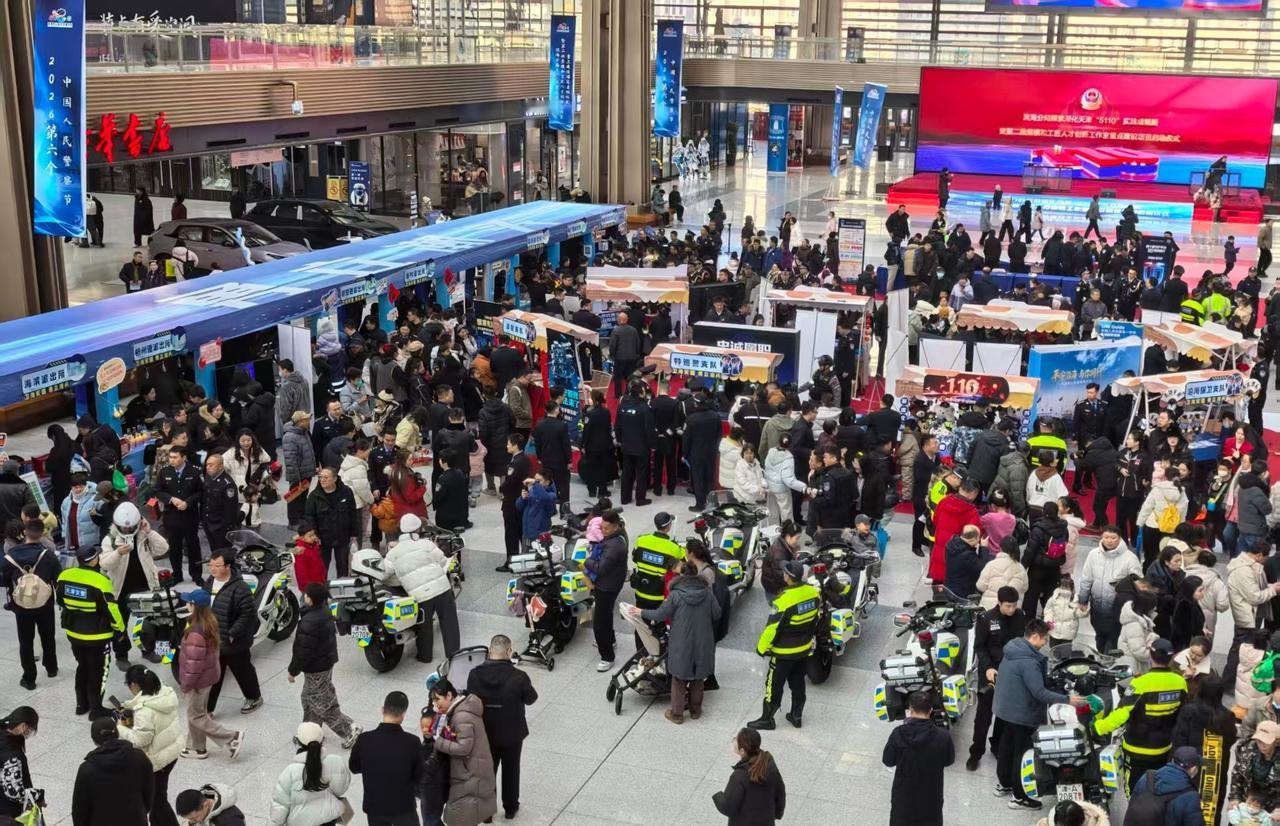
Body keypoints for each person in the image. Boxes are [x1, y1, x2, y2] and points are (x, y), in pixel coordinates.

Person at [994, 619, 1084, 810]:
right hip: (1022, 713)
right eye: (1044, 639)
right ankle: (1019, 797)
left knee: (1006, 747)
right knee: (1023, 753)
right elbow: (1040, 693)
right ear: (1035, 636)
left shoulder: (1013, 648)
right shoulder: (1029, 662)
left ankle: (1004, 784)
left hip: (1005, 709)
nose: (1045, 643)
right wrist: (1068, 699)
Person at [1094, 638, 1188, 794]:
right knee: (1158, 789)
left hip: (1137, 750)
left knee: (1135, 791)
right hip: (1164, 748)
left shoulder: (1140, 684)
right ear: (1171, 659)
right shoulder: (1180, 682)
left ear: (1150, 656)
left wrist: (1096, 728)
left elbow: (1121, 715)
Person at [633, 559, 721, 723]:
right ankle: (695, 711)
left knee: (679, 678)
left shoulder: (675, 595)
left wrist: (640, 611)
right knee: (698, 678)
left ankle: (677, 714)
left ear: (681, 575)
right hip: (703, 641)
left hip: (682, 642)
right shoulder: (707, 593)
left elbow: (659, 615)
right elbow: (717, 614)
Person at [465, 635, 537, 821]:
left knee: (486, 773)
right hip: (512, 734)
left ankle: (487, 812)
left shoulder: (474, 674)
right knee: (511, 770)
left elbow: (470, 700)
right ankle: (511, 808)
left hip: (485, 734)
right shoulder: (519, 677)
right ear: (508, 652)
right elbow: (531, 698)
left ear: (489, 652)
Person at [749, 561, 820, 731]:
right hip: (803, 649)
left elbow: (772, 629)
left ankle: (767, 719)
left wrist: (761, 648)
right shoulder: (813, 593)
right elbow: (815, 620)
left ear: (788, 576)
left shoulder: (783, 601)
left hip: (783, 653)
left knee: (773, 684)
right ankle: (796, 716)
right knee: (798, 682)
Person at [55, 541, 123, 718]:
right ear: (94, 560)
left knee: (82, 666)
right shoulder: (101, 581)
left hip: (73, 633)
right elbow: (111, 609)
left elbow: (60, 601)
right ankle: (96, 709)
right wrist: (120, 629)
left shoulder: (64, 576)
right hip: (98, 636)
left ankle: (81, 705)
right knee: (99, 671)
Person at [288, 582, 359, 749]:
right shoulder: (323, 612)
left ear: (311, 600)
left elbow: (303, 651)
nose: (303, 596)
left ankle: (350, 729)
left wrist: (293, 671)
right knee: (308, 699)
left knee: (322, 705)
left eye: (306, 594)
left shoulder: (310, 621)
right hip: (324, 663)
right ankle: (310, 733)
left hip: (316, 667)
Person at [176, 589, 243, 760]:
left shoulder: (195, 633)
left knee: (195, 715)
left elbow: (193, 665)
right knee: (198, 712)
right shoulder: (210, 623)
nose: (186, 605)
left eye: (189, 602)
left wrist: (186, 685)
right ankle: (197, 748)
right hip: (209, 677)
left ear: (195, 607)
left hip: (199, 681)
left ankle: (231, 737)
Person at [385, 514, 458, 664]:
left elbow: (385, 573)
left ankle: (425, 656)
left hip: (419, 596)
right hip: (442, 590)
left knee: (424, 626)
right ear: (418, 529)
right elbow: (443, 560)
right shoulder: (427, 544)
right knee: (449, 623)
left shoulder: (393, 553)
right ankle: (454, 655)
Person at [967, 586, 1026, 772]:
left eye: (1014, 605)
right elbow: (980, 647)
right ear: (999, 603)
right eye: (1008, 606)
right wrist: (989, 667)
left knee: (1004, 714)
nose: (1011, 609)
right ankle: (976, 753)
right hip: (990, 673)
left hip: (1011, 673)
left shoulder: (1020, 616)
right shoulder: (986, 619)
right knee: (983, 717)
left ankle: (997, 745)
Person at [117, 665, 182, 826]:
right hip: (171, 751)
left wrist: (120, 728)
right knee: (158, 795)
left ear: (133, 685)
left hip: (156, 760)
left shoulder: (144, 711)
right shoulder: (164, 692)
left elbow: (140, 740)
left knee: (157, 800)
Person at [2, 520, 61, 691]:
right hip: (45, 604)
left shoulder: (11, 554)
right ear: (42, 533)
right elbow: (58, 578)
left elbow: (5, 579)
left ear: (25, 533)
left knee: (26, 641)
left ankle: (29, 678)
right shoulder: (48, 555)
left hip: (22, 605)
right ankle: (51, 668)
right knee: (48, 636)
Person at [430, 680, 498, 826]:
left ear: (449, 695)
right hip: (475, 770)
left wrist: (438, 741)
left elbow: (463, 748)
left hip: (470, 774)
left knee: (460, 817)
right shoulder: (462, 709)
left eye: (437, 699)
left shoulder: (461, 717)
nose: (435, 704)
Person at [350, 691, 423, 825]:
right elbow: (419, 775)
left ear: (382, 710)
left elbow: (354, 767)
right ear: (402, 715)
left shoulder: (364, 739)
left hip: (375, 806)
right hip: (404, 807)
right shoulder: (412, 742)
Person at [883, 690, 955, 826]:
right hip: (931, 796)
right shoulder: (943, 736)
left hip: (904, 795)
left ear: (910, 709)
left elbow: (888, 760)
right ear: (931, 710)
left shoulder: (898, 734)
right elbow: (948, 761)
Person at [205, 547, 263, 715]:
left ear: (228, 566)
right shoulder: (210, 581)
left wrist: (232, 633)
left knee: (243, 670)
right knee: (213, 675)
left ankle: (254, 697)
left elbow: (248, 614)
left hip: (234, 641)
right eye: (210, 565)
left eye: (217, 565)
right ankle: (207, 709)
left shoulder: (240, 588)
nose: (212, 569)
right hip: (214, 637)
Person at [72, 716, 155, 826]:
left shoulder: (87, 769)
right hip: (135, 819)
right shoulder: (139, 757)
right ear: (116, 733)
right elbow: (149, 790)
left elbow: (80, 808)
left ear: (94, 739)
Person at [269, 721, 353, 826]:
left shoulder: (290, 771)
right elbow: (341, 788)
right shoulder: (335, 761)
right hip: (328, 819)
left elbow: (280, 806)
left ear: (298, 742)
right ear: (322, 740)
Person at [1226, 541, 1280, 687]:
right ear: (1259, 555)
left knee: (1242, 648)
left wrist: (1270, 586)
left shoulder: (1250, 567)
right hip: (1246, 617)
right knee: (1240, 650)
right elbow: (1254, 597)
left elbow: (1254, 589)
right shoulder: (1244, 571)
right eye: (1265, 558)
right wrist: (1273, 590)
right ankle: (1229, 681)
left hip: (1249, 614)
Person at [712, 727, 786, 826]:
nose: (734, 741)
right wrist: (776, 813)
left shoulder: (739, 776)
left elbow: (728, 807)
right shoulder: (769, 764)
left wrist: (718, 796)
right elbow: (780, 792)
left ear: (742, 751)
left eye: (736, 741)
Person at [584, 509, 628, 671]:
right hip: (613, 583)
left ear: (616, 527)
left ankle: (607, 656)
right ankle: (611, 640)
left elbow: (600, 568)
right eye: (601, 527)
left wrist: (586, 562)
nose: (602, 531)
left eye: (606, 528)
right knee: (607, 613)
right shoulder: (617, 537)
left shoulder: (614, 547)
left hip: (606, 586)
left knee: (600, 622)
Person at [153, 445, 204, 583]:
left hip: (189, 515)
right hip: (171, 516)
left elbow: (200, 491)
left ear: (183, 457)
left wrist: (188, 502)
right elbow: (157, 490)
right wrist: (171, 499)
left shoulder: (194, 471)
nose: (172, 460)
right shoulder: (165, 472)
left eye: (175, 457)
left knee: (193, 545)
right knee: (174, 547)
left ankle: (196, 574)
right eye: (170, 457)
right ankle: (177, 574)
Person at [1126, 746, 1204, 826]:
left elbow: (1132, 807)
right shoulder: (1191, 796)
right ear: (1193, 769)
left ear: (1173, 761)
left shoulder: (1147, 777)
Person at [1228, 721, 1280, 818]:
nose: (1262, 745)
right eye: (1259, 741)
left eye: (1267, 742)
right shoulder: (1247, 750)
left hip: (1271, 808)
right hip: (1247, 801)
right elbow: (1237, 775)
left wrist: (1278, 808)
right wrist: (1234, 797)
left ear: (1276, 741)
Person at [615, 381, 655, 506]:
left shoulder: (622, 406)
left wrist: (620, 440)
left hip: (626, 445)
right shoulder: (644, 409)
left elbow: (617, 426)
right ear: (641, 393)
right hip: (641, 447)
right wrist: (652, 445)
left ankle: (625, 498)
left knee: (627, 472)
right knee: (641, 473)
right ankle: (640, 499)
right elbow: (649, 430)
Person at [497, 434, 533, 571]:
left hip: (511, 502)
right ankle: (524, 560)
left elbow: (509, 483)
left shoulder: (515, 463)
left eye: (508, 443)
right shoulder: (526, 459)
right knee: (520, 533)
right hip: (522, 501)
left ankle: (511, 562)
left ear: (515, 445)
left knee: (511, 534)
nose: (506, 446)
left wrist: (501, 488)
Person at [684, 393, 724, 512]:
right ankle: (713, 502)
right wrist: (716, 449)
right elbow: (719, 435)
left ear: (696, 403)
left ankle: (700, 504)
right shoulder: (715, 416)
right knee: (709, 479)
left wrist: (685, 454)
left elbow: (686, 439)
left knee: (698, 479)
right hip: (711, 453)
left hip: (696, 453)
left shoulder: (691, 418)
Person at [0, 706, 39, 822]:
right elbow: (14, 792)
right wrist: (38, 796)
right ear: (23, 726)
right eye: (30, 730)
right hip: (8, 811)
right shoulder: (12, 755)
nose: (28, 734)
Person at [175, 784, 245, 826]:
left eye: (193, 818)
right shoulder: (201, 809)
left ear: (205, 805)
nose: (191, 821)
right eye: (189, 819)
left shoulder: (230, 821)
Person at [609, 312, 641, 397]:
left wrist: (612, 354)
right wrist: (637, 354)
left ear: (619, 320)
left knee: (618, 378)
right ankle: (630, 393)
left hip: (619, 357)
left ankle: (618, 394)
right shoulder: (633, 330)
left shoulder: (616, 330)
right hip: (632, 357)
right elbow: (638, 343)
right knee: (630, 377)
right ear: (627, 320)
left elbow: (612, 345)